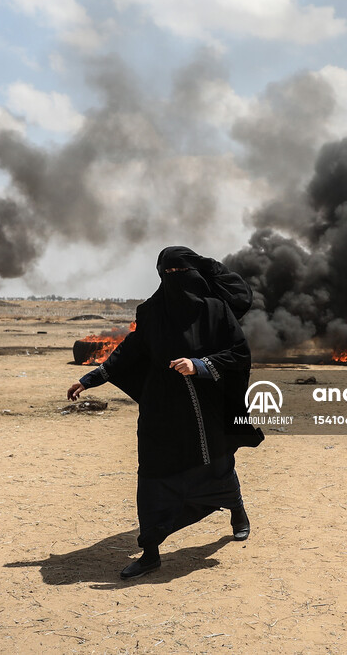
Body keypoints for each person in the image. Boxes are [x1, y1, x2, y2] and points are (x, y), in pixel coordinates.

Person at [67, 246, 264, 579]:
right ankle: (151, 551)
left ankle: (236, 509)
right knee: (154, 475)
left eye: (179, 273)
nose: (172, 280)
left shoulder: (215, 310)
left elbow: (238, 353)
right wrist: (90, 378)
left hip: (205, 408)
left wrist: (200, 365)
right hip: (161, 410)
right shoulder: (151, 312)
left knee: (215, 466)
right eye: (165, 274)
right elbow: (130, 350)